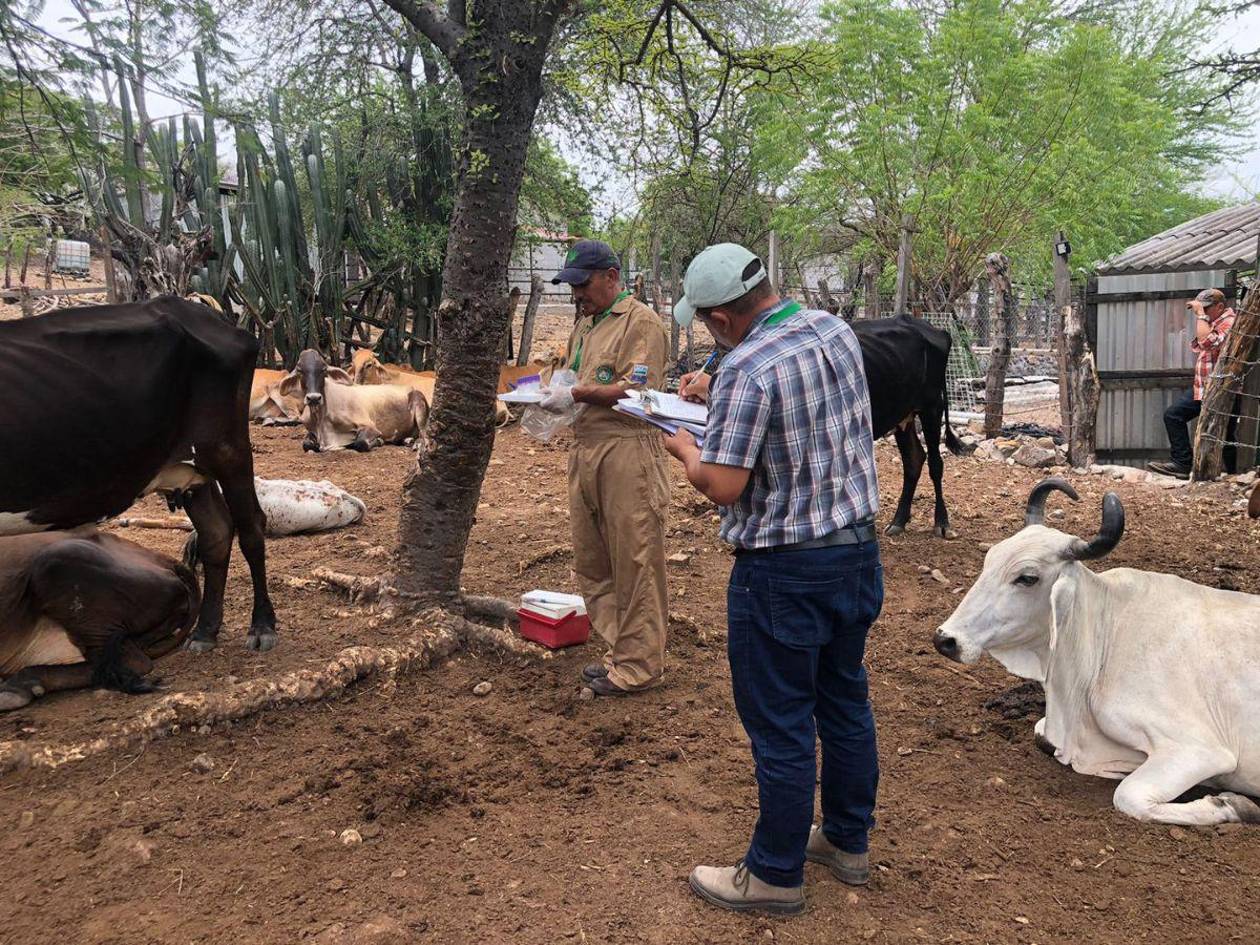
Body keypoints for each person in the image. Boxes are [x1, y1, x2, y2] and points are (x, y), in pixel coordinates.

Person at [661, 243, 883, 916]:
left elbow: (725, 485)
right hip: (856, 554)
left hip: (784, 568)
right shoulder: (831, 328)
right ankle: (847, 842)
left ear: (722, 319)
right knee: (844, 703)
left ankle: (774, 872)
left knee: (782, 723)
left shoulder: (748, 369)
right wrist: (716, 379)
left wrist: (685, 447)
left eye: (705, 322)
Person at [542, 239, 671, 696]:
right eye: (572, 285)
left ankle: (641, 667)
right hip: (586, 447)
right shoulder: (586, 325)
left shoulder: (642, 323)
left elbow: (638, 391)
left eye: (583, 283)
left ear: (611, 277)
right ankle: (622, 652)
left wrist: (575, 396)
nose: (577, 293)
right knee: (593, 557)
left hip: (628, 450)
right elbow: (573, 378)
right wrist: (548, 399)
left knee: (634, 557)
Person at [1149, 288, 1236, 478]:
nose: (1203, 312)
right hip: (1204, 388)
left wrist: (1200, 316)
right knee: (1173, 415)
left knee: (1226, 433)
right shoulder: (1215, 321)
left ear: (1220, 306)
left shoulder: (1229, 322)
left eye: (1207, 308)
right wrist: (1204, 317)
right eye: (1201, 309)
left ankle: (1233, 476)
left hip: (1222, 389)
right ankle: (1182, 463)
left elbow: (1206, 342)